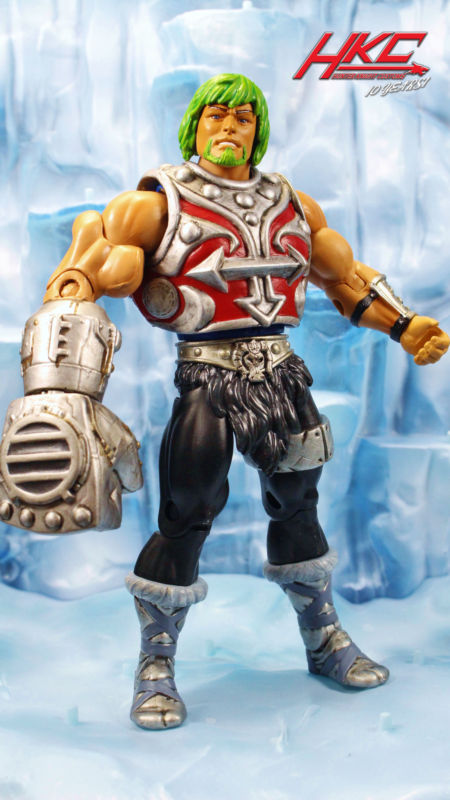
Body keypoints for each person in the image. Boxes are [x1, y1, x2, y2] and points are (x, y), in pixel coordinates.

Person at [25, 74, 450, 729]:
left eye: (243, 118)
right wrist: (61, 385)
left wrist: (404, 324)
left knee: (299, 505)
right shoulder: (153, 205)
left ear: (258, 130)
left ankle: (324, 638)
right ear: (194, 125)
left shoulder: (294, 205)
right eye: (216, 115)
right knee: (186, 514)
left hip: (283, 376)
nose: (229, 127)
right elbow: (81, 279)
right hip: (208, 379)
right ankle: (155, 664)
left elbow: (345, 278)